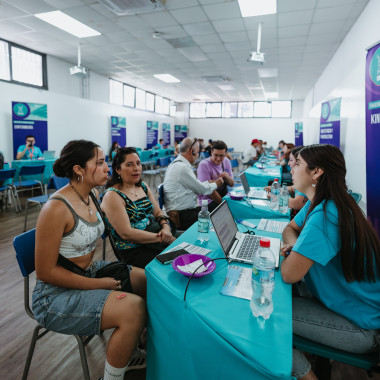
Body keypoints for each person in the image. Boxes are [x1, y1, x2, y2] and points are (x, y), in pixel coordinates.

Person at [32, 140, 147, 380]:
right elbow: (45, 273)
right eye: (100, 163)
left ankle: (134, 347)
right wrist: (99, 284)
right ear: (79, 169)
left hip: (86, 272)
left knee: (148, 279)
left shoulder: (92, 195)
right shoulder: (56, 208)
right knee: (133, 308)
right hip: (54, 295)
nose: (107, 168)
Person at [280, 144, 380, 380]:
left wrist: (297, 250)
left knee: (266, 313)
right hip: (352, 310)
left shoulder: (326, 216)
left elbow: (288, 274)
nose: (291, 168)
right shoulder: (327, 202)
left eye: (298, 164)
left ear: (317, 172)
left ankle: (307, 376)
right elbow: (290, 228)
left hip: (362, 327)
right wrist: (299, 246)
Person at [101, 147, 177, 268]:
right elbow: (127, 233)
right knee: (173, 264)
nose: (136, 168)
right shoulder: (112, 196)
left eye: (138, 163)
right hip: (134, 250)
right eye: (129, 164)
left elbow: (157, 211)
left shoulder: (143, 186)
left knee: (186, 252)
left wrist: (166, 227)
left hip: (156, 235)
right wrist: (162, 238)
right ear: (118, 169)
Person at [163, 137, 224, 230]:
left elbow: (196, 185)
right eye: (198, 152)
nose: (198, 155)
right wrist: (217, 183)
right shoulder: (182, 168)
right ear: (192, 151)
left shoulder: (177, 164)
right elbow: (202, 190)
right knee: (218, 207)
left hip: (182, 212)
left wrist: (208, 183)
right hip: (182, 216)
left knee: (213, 206)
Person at [265, 146, 307, 213]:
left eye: (291, 160)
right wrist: (278, 190)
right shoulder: (300, 179)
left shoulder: (305, 180)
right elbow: (293, 188)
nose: (288, 163)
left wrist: (274, 196)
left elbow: (297, 204)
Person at [197, 140, 234, 212]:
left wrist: (227, 178)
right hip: (208, 201)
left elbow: (232, 184)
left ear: (225, 154)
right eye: (216, 155)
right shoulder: (204, 165)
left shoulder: (226, 161)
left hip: (222, 197)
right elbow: (210, 191)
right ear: (211, 152)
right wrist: (224, 205)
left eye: (221, 156)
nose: (218, 158)